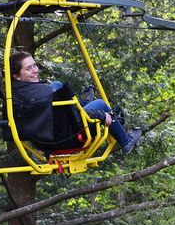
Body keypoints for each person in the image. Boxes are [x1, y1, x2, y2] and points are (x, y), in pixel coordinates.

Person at [9, 51, 142, 154]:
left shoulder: (15, 94)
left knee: (56, 85)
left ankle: (84, 101)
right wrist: (101, 115)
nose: (35, 70)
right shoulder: (39, 94)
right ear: (17, 75)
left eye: (34, 65)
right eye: (28, 68)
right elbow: (74, 115)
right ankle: (125, 141)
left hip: (46, 136)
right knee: (101, 104)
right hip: (66, 136)